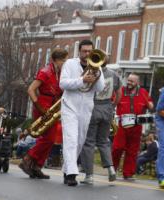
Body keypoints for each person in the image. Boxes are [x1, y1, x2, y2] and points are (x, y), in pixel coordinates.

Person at [60, 40, 105, 186]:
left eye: (89, 52)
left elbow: (100, 88)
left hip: (86, 108)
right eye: (84, 51)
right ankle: (72, 174)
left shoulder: (97, 66)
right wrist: (82, 80)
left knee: (79, 141)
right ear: (79, 51)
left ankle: (67, 170)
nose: (87, 54)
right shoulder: (70, 64)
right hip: (69, 106)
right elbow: (63, 83)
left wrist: (96, 74)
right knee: (71, 139)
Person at [19, 48, 68, 179]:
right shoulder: (45, 72)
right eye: (64, 60)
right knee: (48, 138)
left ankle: (36, 166)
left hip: (52, 106)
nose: (65, 62)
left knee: (49, 139)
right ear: (57, 60)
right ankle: (28, 159)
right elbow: (31, 89)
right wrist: (39, 106)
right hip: (43, 106)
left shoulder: (60, 72)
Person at [80, 55, 122, 184]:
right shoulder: (114, 74)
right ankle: (111, 169)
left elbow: (82, 88)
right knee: (104, 141)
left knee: (89, 142)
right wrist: (112, 106)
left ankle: (89, 175)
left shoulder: (92, 73)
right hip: (107, 107)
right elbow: (119, 93)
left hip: (93, 106)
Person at [111, 72, 154, 180]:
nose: (129, 83)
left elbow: (151, 105)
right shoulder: (120, 91)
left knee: (132, 150)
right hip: (122, 124)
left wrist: (150, 105)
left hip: (136, 124)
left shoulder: (143, 92)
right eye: (128, 80)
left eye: (132, 81)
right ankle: (112, 170)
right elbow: (112, 102)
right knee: (117, 148)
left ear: (137, 83)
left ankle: (128, 173)